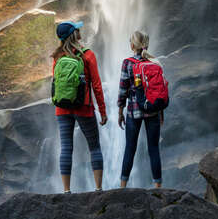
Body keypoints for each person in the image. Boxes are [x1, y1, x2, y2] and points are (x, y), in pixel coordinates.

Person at [51, 21, 107, 192]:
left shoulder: (57, 57)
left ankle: (66, 190)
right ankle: (98, 189)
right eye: (77, 29)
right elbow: (96, 85)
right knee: (94, 146)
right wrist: (103, 111)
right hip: (84, 107)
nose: (80, 30)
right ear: (74, 35)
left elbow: (56, 82)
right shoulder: (87, 55)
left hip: (62, 108)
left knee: (66, 147)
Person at [117, 30, 165, 189]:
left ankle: (123, 186)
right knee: (153, 148)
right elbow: (161, 89)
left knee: (130, 147)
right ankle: (158, 187)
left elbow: (123, 88)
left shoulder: (127, 62)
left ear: (132, 45)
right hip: (153, 110)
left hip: (133, 110)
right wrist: (161, 112)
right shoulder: (155, 62)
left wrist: (120, 111)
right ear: (147, 44)